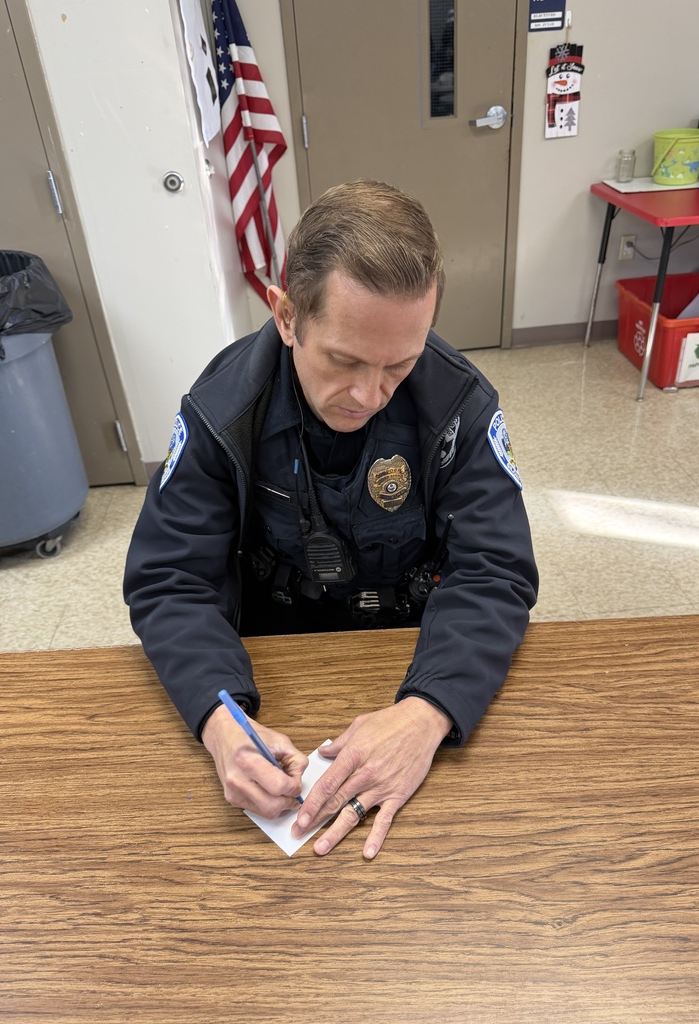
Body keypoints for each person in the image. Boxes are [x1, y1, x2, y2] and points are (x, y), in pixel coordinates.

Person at [123, 180, 538, 859]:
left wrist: (428, 710)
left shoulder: (458, 401)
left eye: (399, 364)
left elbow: (494, 569)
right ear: (288, 316)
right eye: (344, 361)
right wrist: (218, 716)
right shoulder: (221, 408)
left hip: (421, 656)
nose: (370, 395)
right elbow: (169, 579)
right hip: (272, 670)